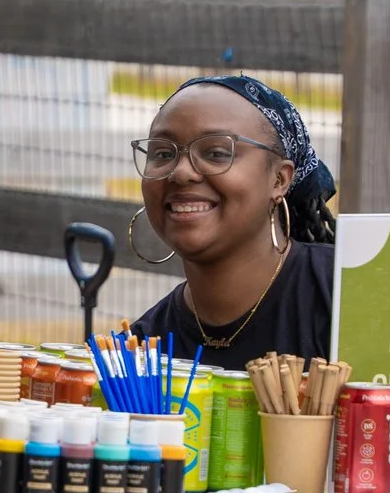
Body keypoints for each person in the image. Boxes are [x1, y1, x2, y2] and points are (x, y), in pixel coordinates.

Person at [126, 74, 338, 369]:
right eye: (162, 153)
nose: (181, 172)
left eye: (216, 153)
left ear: (279, 179)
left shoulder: (346, 298)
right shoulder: (145, 351)